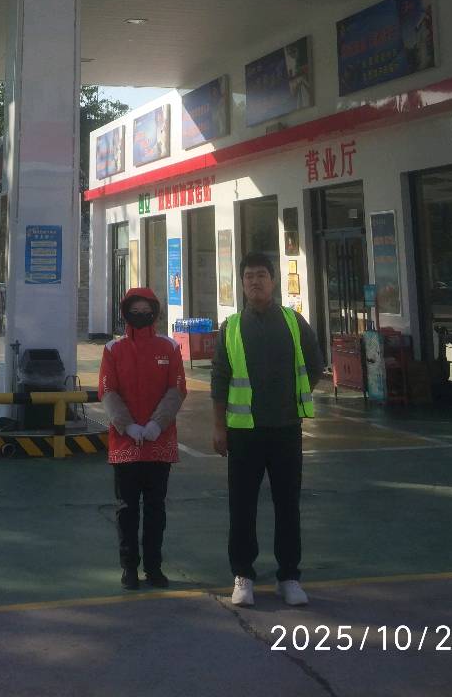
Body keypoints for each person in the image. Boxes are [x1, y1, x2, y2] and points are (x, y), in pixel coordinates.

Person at [211, 252, 324, 609]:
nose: (255, 281)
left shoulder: (293, 322)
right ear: (242, 284)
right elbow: (219, 379)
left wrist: (292, 399)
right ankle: (243, 575)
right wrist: (219, 427)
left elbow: (315, 365)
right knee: (242, 506)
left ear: (273, 281)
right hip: (243, 433)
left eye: (261, 275)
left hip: (286, 429)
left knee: (287, 505)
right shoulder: (230, 328)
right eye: (249, 276)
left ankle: (288, 577)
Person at [99, 286, 187, 590]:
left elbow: (177, 389)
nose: (140, 315)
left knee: (155, 508)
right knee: (126, 509)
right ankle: (129, 568)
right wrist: (128, 426)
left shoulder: (169, 347)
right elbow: (107, 391)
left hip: (159, 442)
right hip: (125, 442)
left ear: (155, 312)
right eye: (134, 311)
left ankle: (153, 567)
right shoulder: (113, 349)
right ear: (126, 313)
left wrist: (156, 425)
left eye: (145, 310)